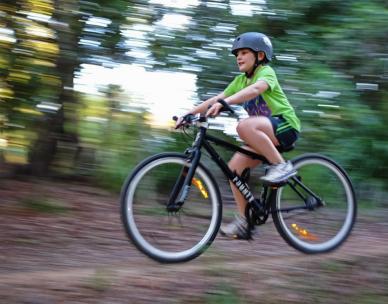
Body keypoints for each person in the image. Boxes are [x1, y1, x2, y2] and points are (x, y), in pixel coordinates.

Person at [175, 32, 301, 239]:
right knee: (234, 170)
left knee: (244, 126)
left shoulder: (265, 72)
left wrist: (227, 103)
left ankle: (281, 167)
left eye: (244, 53)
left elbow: (257, 89)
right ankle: (244, 222)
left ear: (260, 56)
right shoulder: (239, 81)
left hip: (285, 127)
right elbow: (215, 99)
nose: (239, 57)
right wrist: (188, 114)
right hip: (264, 134)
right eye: (236, 55)